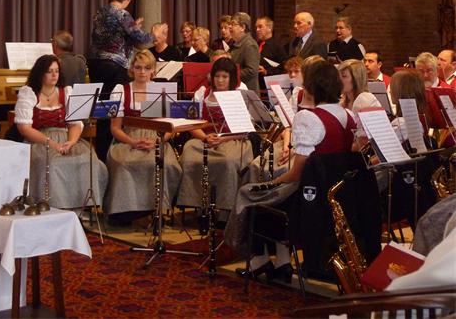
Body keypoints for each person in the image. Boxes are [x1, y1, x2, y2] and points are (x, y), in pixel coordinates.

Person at [225, 63, 356, 280]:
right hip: (337, 194)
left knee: (249, 193)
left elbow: (297, 174)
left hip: (309, 199)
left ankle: (259, 259)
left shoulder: (308, 118)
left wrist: (272, 184)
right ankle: (283, 262)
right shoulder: (349, 115)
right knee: (267, 191)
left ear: (312, 87)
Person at [14, 54, 108, 209]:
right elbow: (24, 128)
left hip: (66, 138)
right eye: (49, 71)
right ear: (40, 73)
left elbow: (75, 123)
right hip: (39, 140)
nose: (54, 75)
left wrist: (71, 142)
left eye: (56, 71)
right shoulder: (29, 93)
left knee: (88, 160)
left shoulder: (66, 92)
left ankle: (81, 208)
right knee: (53, 164)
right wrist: (51, 143)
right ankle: (53, 206)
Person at [105, 49, 182, 221]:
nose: (142, 72)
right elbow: (115, 128)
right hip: (128, 138)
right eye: (138, 67)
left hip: (156, 138)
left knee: (167, 163)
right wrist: (132, 141)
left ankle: (158, 210)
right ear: (132, 69)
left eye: (147, 68)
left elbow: (170, 127)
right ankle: (126, 212)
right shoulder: (121, 90)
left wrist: (157, 141)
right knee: (123, 163)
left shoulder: (161, 91)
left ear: (153, 70)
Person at [88, 0, 155, 160]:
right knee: (114, 114)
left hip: (95, 65)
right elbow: (142, 39)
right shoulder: (122, 14)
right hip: (114, 66)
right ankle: (114, 155)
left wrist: (133, 27)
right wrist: (155, 34)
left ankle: (101, 157)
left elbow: (112, 36)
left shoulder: (100, 12)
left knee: (103, 114)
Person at [176, 57, 253, 212]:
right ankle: (198, 204)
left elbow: (246, 130)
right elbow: (191, 123)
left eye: (225, 76)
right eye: (217, 76)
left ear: (232, 78)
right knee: (190, 154)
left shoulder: (239, 94)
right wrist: (205, 137)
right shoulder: (202, 93)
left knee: (228, 161)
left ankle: (225, 208)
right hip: (205, 138)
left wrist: (223, 138)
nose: (220, 80)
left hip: (232, 139)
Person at [338, 59, 381, 143]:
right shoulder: (342, 101)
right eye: (338, 76)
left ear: (356, 79)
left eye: (344, 76)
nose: (339, 80)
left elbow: (364, 142)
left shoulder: (365, 99)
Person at [230, 12, 261, 93]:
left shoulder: (249, 45)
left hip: (247, 93)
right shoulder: (237, 44)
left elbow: (251, 70)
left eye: (233, 24)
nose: (230, 26)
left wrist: (230, 75)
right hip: (237, 90)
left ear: (242, 27)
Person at [255, 16, 287, 90]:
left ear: (269, 28)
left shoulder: (277, 46)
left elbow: (284, 67)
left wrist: (267, 72)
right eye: (256, 27)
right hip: (256, 84)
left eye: (260, 27)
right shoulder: (256, 44)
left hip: (269, 86)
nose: (257, 30)